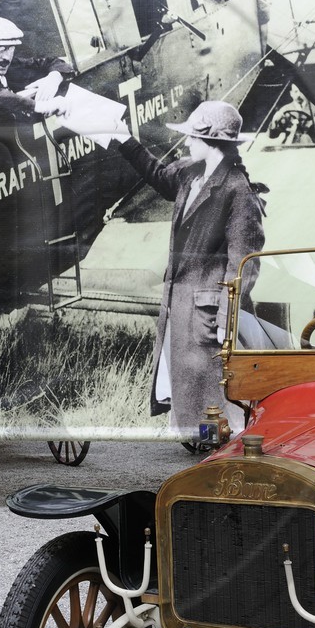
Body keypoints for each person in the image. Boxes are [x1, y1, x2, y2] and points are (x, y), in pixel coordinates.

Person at [115, 99, 268, 433]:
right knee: (189, 395)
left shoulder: (237, 190)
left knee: (216, 396)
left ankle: (221, 457)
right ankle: (201, 448)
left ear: (210, 142)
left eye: (192, 137)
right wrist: (123, 138)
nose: (186, 142)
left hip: (209, 316)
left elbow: (244, 264)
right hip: (182, 308)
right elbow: (157, 175)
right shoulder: (191, 172)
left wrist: (227, 319)